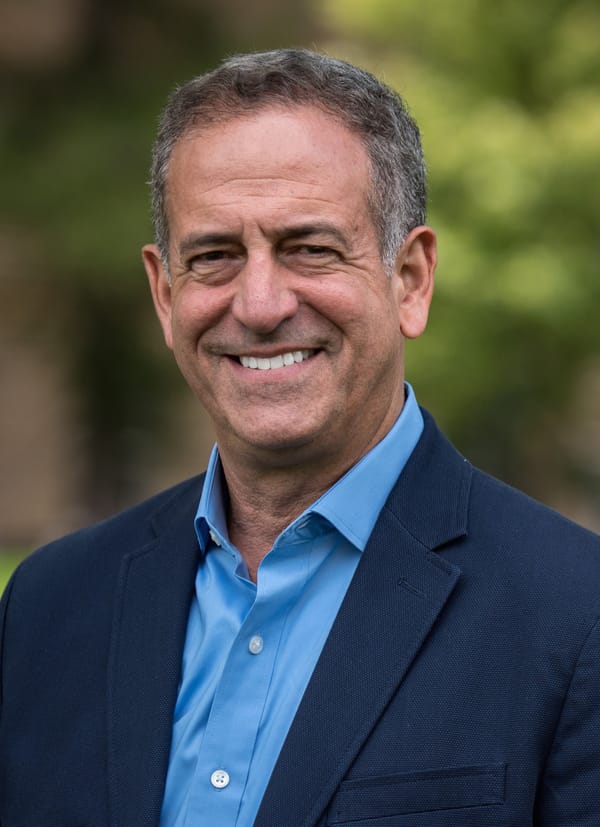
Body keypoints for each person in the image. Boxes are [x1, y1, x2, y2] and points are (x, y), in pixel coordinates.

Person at [0, 48, 599, 827]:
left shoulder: (575, 616)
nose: (259, 302)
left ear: (411, 278)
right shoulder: (48, 608)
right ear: (164, 292)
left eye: (309, 248)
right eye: (214, 255)